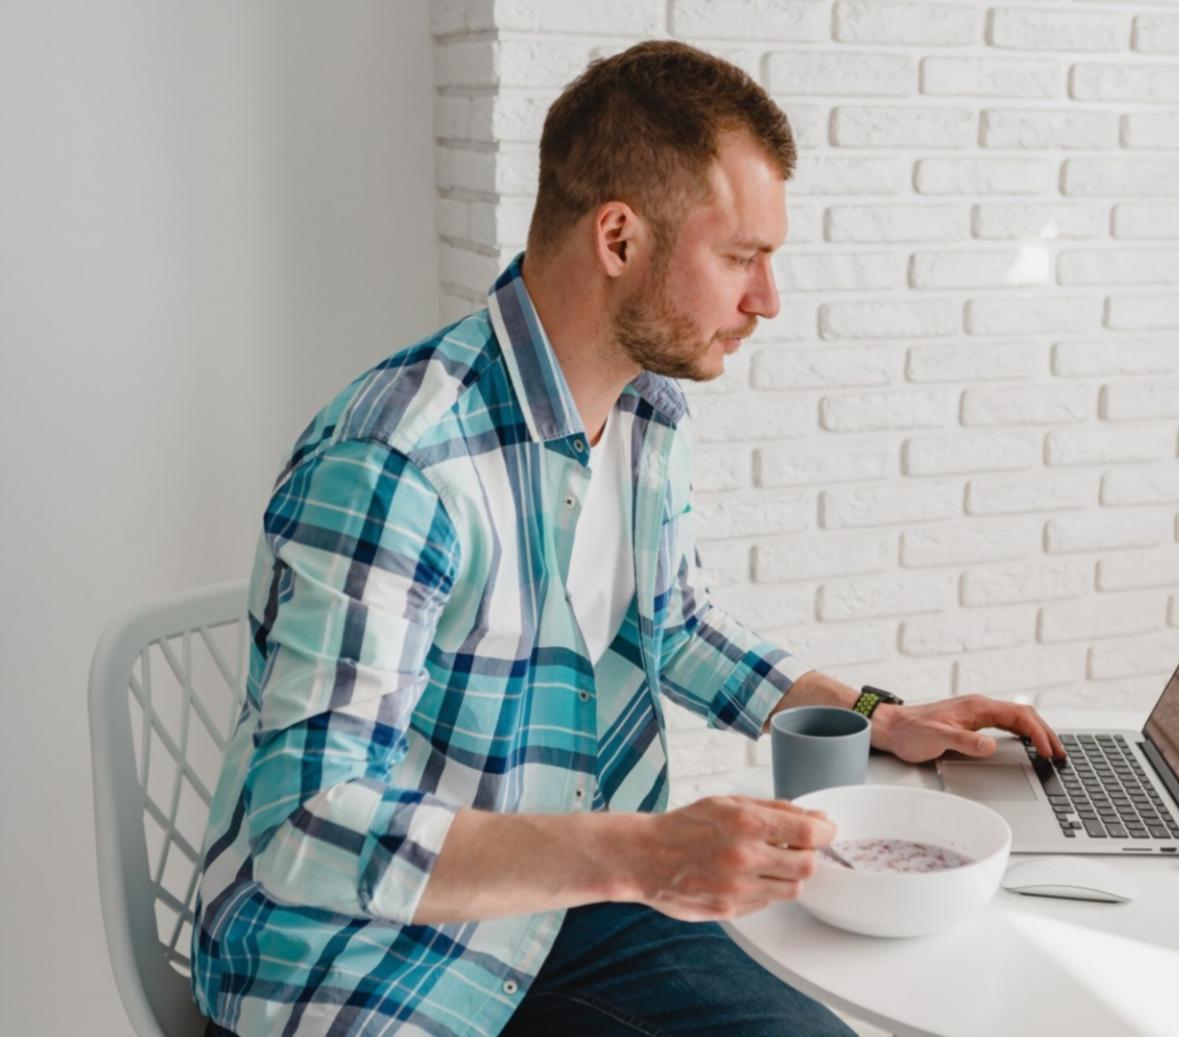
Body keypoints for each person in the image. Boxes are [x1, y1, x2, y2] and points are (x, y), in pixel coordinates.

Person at [191, 39, 1065, 1036]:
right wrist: (644, 853)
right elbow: (307, 827)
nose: (767, 299)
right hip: (367, 959)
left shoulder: (647, 413)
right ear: (618, 237)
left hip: (566, 912)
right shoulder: (399, 461)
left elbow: (677, 626)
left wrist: (875, 714)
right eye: (740, 256)